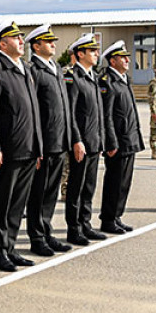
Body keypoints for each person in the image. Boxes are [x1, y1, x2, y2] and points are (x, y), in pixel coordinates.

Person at [0, 23, 43, 269]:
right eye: (15, 37)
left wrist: (38, 146)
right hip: (8, 149)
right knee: (3, 203)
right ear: (2, 43)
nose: (21, 41)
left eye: (21, 37)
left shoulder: (25, 69)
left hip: (28, 147)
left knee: (18, 203)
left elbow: (33, 111)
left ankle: (11, 247)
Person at [25, 24, 74, 256]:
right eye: (48, 41)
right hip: (44, 142)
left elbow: (64, 107)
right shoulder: (32, 70)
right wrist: (37, 144)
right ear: (36, 46)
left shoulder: (56, 67)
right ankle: (36, 237)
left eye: (53, 41)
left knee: (52, 192)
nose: (53, 44)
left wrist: (70, 138)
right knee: (39, 192)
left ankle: (47, 232)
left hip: (59, 141)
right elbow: (32, 111)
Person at [63, 33, 106, 246]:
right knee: (76, 187)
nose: (97, 54)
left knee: (89, 186)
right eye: (92, 51)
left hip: (93, 141)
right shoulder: (74, 78)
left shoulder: (93, 76)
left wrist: (101, 140)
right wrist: (76, 140)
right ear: (80, 54)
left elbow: (98, 112)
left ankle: (86, 224)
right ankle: (74, 228)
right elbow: (70, 113)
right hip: (81, 142)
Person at [99, 41, 143, 234]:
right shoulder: (107, 81)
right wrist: (110, 141)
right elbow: (106, 115)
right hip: (117, 141)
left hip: (129, 138)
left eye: (127, 57)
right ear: (112, 60)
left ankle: (117, 216)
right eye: (122, 57)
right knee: (114, 182)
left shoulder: (124, 79)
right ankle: (108, 219)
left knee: (124, 182)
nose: (127, 60)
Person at [147, 62, 156, 158]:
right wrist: (153, 112)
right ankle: (154, 150)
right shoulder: (154, 83)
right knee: (154, 131)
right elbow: (152, 99)